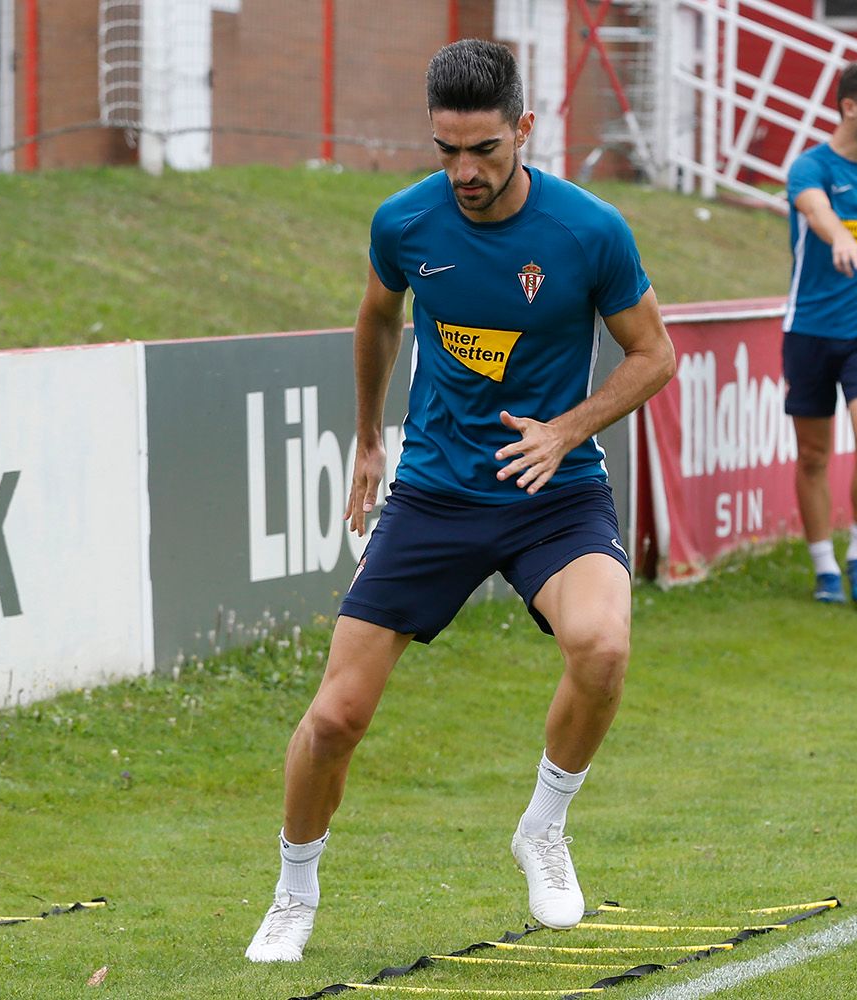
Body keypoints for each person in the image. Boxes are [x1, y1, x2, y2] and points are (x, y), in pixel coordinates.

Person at [244, 38, 675, 963]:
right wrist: (367, 437)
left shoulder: (589, 230)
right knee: (335, 720)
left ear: (524, 128)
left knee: (602, 646)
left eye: (483, 149)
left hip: (551, 488)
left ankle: (544, 827)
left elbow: (654, 356)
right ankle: (293, 887)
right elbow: (376, 314)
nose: (464, 172)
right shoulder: (405, 224)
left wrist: (567, 429)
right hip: (435, 492)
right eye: (446, 151)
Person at [782, 60, 857, 605]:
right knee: (812, 456)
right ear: (850, 107)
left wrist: (855, 244)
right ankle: (825, 567)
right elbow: (815, 208)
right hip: (808, 330)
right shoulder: (808, 167)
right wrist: (839, 238)